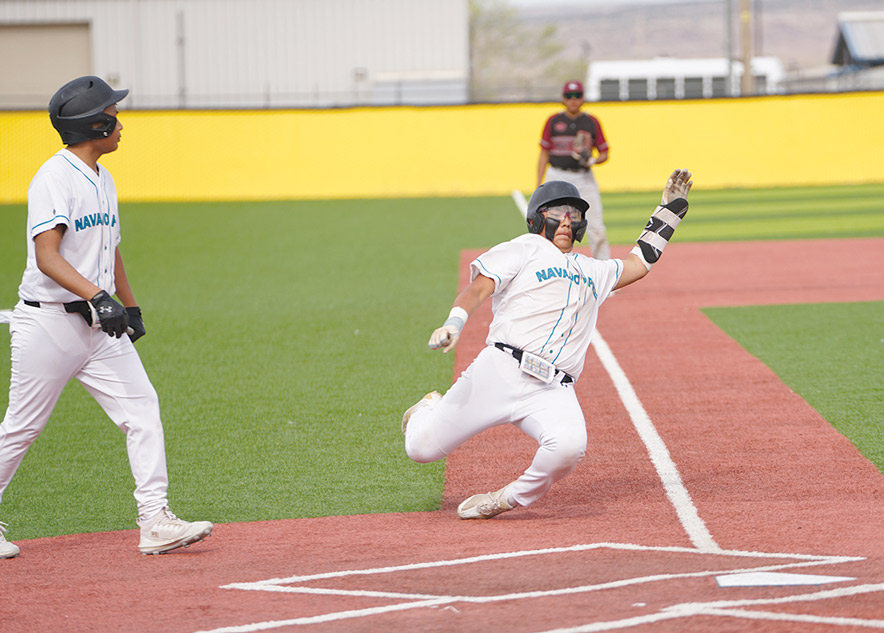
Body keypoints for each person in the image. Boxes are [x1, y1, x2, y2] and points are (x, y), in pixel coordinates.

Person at [0, 76, 212, 559]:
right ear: (92, 124)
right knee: (22, 428)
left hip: (99, 326)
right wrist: (99, 296)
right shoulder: (53, 178)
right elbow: (47, 257)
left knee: (142, 411)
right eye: (113, 115)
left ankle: (155, 521)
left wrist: (128, 304)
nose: (120, 123)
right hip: (49, 325)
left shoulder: (103, 177)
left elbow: (109, 248)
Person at [402, 170, 692, 520]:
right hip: (501, 370)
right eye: (557, 211)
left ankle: (505, 499)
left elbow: (639, 263)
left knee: (569, 447)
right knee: (421, 449)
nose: (567, 219)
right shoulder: (524, 248)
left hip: (553, 388)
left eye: (574, 213)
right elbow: (479, 288)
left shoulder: (593, 270)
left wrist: (669, 211)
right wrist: (454, 323)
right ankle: (427, 408)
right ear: (537, 217)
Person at [537, 80, 611, 260]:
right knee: (551, 225)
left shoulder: (591, 121)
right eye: (569, 96)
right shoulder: (554, 121)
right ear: (563, 98)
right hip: (557, 175)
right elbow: (544, 154)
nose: (573, 99)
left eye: (577, 95)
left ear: (583, 98)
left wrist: (592, 160)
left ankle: (605, 271)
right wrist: (539, 184)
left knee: (597, 229)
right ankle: (550, 265)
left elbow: (604, 153)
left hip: (583, 177)